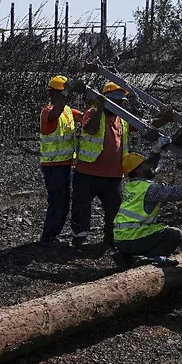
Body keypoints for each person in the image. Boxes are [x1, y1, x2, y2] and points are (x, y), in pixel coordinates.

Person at [111, 152, 182, 267]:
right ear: (138, 170)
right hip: (133, 238)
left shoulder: (130, 186)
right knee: (174, 234)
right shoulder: (149, 189)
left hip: (121, 239)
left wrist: (156, 150)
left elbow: (151, 172)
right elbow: (177, 194)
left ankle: (126, 257)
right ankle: (147, 260)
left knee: (160, 228)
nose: (151, 166)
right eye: (146, 164)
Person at [71, 82, 131, 249]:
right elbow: (90, 128)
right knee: (81, 208)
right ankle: (79, 240)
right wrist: (100, 107)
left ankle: (111, 239)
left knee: (115, 210)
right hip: (88, 172)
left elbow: (145, 126)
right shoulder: (92, 113)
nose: (118, 105)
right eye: (114, 101)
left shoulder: (124, 119)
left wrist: (163, 119)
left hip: (113, 175)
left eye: (120, 102)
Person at [38, 76, 83, 246]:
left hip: (65, 165)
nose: (62, 96)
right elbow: (54, 114)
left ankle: (53, 235)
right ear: (51, 93)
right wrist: (67, 92)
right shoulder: (48, 111)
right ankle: (48, 238)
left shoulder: (69, 110)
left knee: (63, 203)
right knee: (57, 202)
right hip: (53, 166)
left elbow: (85, 117)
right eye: (59, 92)